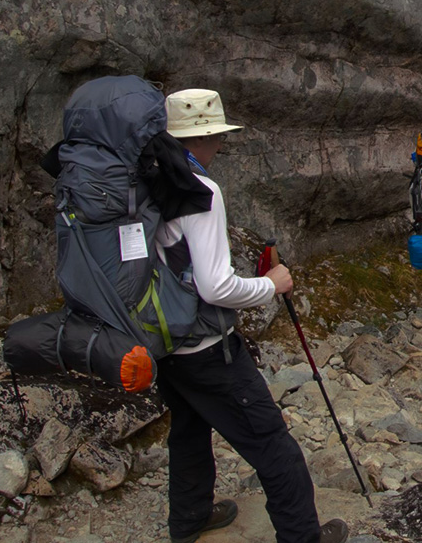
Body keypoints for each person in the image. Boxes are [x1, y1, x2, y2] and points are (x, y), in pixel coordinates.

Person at [154, 89, 348, 543]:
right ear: (204, 137)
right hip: (205, 346)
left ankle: (189, 520)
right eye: (218, 136)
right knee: (273, 446)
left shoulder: (148, 175)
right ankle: (302, 537)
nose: (221, 145)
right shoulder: (199, 189)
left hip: (162, 336)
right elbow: (215, 285)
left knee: (188, 430)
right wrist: (272, 285)